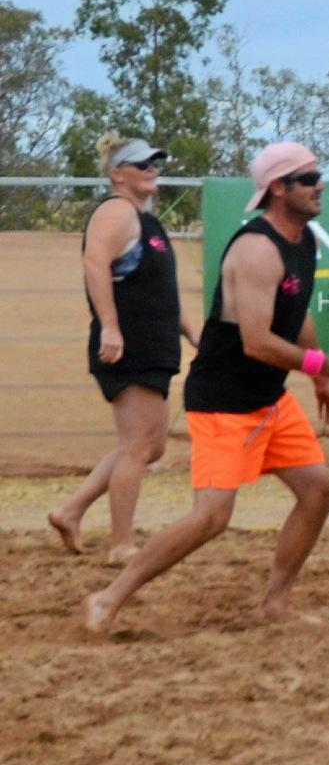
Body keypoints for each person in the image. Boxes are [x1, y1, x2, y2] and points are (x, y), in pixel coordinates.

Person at [82, 143, 329, 633]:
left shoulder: (304, 241)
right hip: (223, 401)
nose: (320, 184)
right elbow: (258, 342)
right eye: (308, 178)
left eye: (319, 174)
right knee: (211, 518)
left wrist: (322, 379)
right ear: (278, 189)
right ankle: (107, 599)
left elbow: (297, 313)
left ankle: (274, 604)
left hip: (267, 399)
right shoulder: (255, 249)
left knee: (318, 491)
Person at [49, 137, 197, 564]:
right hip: (127, 345)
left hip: (153, 344)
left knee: (151, 446)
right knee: (136, 445)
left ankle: (70, 510)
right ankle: (121, 545)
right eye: (141, 163)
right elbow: (95, 264)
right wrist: (110, 327)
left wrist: (191, 331)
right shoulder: (115, 211)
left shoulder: (145, 220)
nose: (153, 167)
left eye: (156, 161)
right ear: (118, 174)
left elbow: (159, 292)